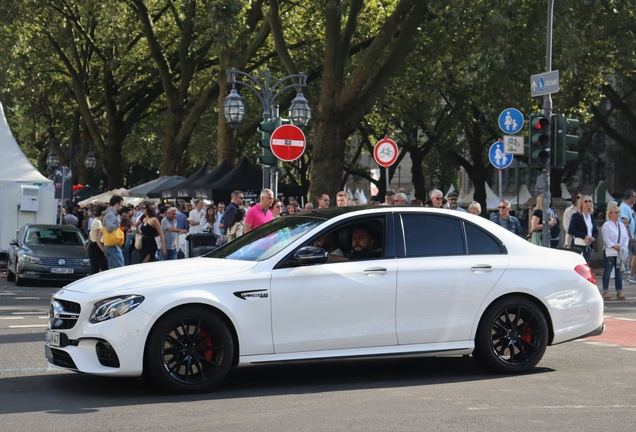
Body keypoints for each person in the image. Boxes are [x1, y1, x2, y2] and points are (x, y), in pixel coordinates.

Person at [602, 202, 628, 301]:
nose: (618, 214)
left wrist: (623, 247)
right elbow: (606, 239)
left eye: (618, 212)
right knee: (608, 271)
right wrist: (614, 246)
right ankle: (606, 291)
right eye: (615, 212)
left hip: (619, 252)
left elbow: (625, 237)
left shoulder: (621, 225)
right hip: (609, 251)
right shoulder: (606, 225)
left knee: (619, 272)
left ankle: (619, 291)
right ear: (610, 214)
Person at [568, 195, 598, 263]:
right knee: (578, 264)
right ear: (581, 203)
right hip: (578, 245)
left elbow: (595, 230)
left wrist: (594, 237)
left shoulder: (591, 216)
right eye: (586, 201)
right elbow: (571, 229)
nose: (588, 203)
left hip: (588, 245)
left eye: (590, 201)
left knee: (586, 264)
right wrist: (584, 236)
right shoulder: (576, 215)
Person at [103, 195, 125, 269]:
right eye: (121, 205)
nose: (121, 207)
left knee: (112, 268)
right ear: (116, 204)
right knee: (119, 268)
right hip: (112, 245)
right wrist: (118, 222)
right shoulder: (111, 215)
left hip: (110, 245)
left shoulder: (109, 214)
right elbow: (110, 228)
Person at [619, 189, 636, 283]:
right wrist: (629, 235)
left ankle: (632, 275)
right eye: (634, 196)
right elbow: (625, 222)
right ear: (630, 197)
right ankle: (620, 277)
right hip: (626, 237)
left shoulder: (628, 207)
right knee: (623, 257)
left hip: (631, 236)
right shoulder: (623, 207)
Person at [88, 204, 108, 273]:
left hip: (94, 246)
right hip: (96, 247)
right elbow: (97, 239)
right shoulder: (98, 223)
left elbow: (90, 235)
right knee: (102, 266)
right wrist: (104, 251)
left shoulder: (95, 221)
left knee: (97, 267)